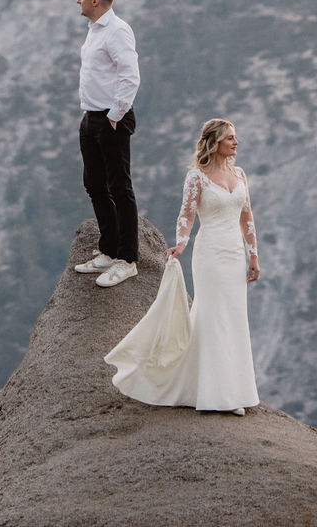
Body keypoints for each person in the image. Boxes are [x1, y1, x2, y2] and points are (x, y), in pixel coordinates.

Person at [104, 117, 260, 414]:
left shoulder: (239, 174)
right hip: (210, 254)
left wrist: (253, 255)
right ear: (214, 143)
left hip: (234, 255)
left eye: (235, 137)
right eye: (230, 138)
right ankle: (216, 396)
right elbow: (186, 214)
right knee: (213, 317)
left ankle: (234, 391)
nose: (236, 142)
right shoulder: (197, 177)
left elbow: (246, 216)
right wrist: (181, 243)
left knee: (235, 318)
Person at [73, 0, 141, 288]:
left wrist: (114, 115)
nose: (79, 0)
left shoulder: (117, 30)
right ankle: (109, 249)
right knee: (94, 185)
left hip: (111, 119)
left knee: (119, 186)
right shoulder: (94, 31)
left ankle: (127, 260)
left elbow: (130, 76)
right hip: (91, 117)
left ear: (95, 0)